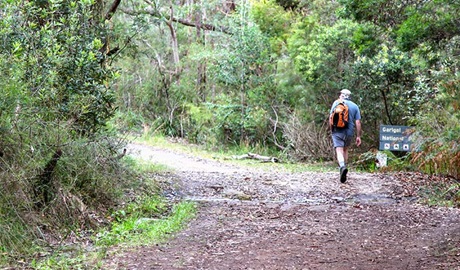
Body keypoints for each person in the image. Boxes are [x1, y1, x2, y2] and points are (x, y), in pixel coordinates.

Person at [329, 89, 362, 183]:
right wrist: (358, 136)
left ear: (341, 95)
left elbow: (330, 117)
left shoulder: (336, 103)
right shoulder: (355, 106)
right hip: (349, 131)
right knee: (345, 149)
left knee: (339, 150)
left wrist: (331, 129)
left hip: (337, 130)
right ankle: (344, 168)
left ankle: (342, 166)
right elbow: (358, 122)